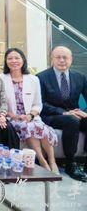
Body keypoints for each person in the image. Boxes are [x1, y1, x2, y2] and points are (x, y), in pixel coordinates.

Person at [0, 48, 58, 174]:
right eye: (10, 58)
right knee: (28, 127)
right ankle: (43, 161)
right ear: (6, 61)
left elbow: (38, 103)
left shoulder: (33, 79)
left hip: (31, 116)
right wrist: (12, 115)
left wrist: (31, 115)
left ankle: (52, 161)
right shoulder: (0, 79)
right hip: (12, 118)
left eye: (17, 58)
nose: (14, 61)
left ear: (23, 60)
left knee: (38, 126)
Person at [37, 46, 87, 181]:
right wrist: (64, 113)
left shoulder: (80, 77)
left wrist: (84, 113)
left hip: (74, 114)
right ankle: (70, 163)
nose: (62, 60)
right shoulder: (41, 77)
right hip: (51, 116)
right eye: (58, 57)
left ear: (71, 59)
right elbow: (41, 103)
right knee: (72, 121)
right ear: (52, 59)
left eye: (65, 57)